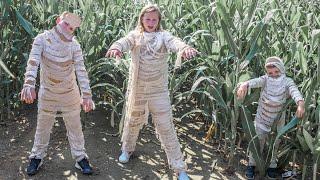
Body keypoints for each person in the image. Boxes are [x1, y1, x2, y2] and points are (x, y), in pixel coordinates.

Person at [106, 4, 198, 180]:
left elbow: (175, 42)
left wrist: (184, 48)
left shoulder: (163, 36)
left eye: (154, 19)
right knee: (132, 121)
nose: (150, 22)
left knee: (166, 127)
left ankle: (179, 168)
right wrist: (116, 47)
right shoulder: (136, 36)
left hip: (158, 91)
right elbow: (124, 41)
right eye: (147, 19)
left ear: (159, 21)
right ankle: (127, 149)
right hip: (138, 90)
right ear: (141, 19)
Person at [20, 11, 95, 176]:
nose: (69, 29)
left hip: (70, 93)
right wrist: (29, 83)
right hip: (48, 93)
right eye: (66, 24)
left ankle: (81, 158)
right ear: (57, 20)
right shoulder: (41, 39)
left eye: (73, 28)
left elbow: (81, 70)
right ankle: (36, 157)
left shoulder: (74, 45)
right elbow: (33, 61)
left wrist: (87, 95)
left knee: (75, 127)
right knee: (43, 126)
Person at [237, 56, 305, 179]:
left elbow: (294, 90)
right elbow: (255, 81)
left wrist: (300, 103)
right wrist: (244, 84)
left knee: (275, 143)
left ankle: (272, 166)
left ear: (281, 69)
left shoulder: (287, 81)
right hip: (262, 117)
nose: (273, 75)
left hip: (277, 120)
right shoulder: (265, 80)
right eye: (270, 73)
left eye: (276, 72)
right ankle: (252, 164)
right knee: (258, 141)